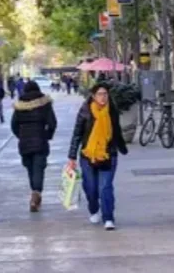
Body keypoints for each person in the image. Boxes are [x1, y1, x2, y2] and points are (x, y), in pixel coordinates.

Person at [67, 82, 128, 231]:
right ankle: (93, 209)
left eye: (105, 94)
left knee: (105, 187)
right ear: (94, 96)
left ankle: (108, 218)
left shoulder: (112, 110)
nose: (103, 97)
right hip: (88, 156)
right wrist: (72, 156)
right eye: (100, 94)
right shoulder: (85, 111)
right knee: (91, 188)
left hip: (109, 154)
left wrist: (122, 147)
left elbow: (117, 131)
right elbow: (77, 134)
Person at [11, 80, 57, 212]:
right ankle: (36, 193)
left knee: (30, 167)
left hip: (24, 142)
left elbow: (13, 125)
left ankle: (35, 193)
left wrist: (21, 135)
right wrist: (48, 135)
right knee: (39, 168)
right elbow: (52, 122)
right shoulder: (45, 104)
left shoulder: (20, 106)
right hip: (40, 140)